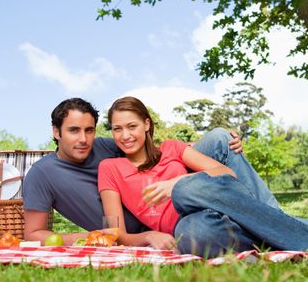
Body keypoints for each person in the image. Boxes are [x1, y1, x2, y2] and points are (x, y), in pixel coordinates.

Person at [98, 96, 308, 257]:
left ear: (147, 125)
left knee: (184, 191)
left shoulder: (172, 148)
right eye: (117, 128)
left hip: (214, 201)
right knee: (198, 235)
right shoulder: (109, 169)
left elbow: (223, 174)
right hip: (195, 224)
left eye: (132, 126)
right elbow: (115, 232)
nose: (125, 135)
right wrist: (147, 237)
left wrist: (176, 183)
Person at [22, 98, 249, 245]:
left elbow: (151, 151)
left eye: (89, 130)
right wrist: (93, 237)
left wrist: (190, 149)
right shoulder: (41, 174)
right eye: (73, 131)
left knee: (221, 139)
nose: (83, 139)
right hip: (136, 229)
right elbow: (32, 234)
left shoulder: (105, 145)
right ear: (56, 132)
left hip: (169, 200)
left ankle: (267, 218)